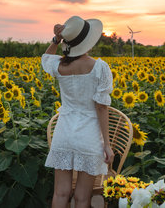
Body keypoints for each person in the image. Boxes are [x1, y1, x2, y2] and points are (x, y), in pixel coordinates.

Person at [42, 16, 115, 208]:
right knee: (82, 198)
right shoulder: (99, 67)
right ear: (88, 42)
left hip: (64, 131)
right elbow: (101, 107)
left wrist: (56, 39)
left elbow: (45, 58)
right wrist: (107, 144)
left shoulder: (60, 65)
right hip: (88, 134)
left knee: (60, 193)